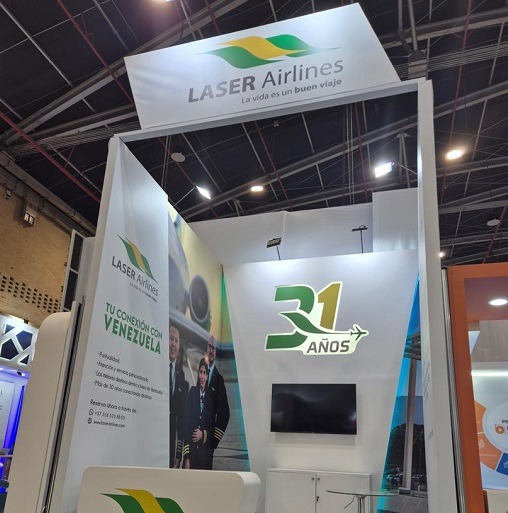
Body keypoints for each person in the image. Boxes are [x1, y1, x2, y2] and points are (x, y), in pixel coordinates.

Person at [182, 358, 214, 469]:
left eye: (205, 373)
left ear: (208, 376)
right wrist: (186, 458)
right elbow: (186, 426)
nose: (202, 376)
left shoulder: (212, 398)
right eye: (200, 372)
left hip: (205, 458)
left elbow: (214, 429)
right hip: (192, 456)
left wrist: (203, 435)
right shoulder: (192, 393)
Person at [169, 324, 188, 468]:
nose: (173, 344)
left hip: (170, 449)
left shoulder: (181, 375)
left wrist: (178, 456)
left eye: (176, 340)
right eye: (171, 339)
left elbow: (182, 419)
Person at [207, 335, 230, 455]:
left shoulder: (218, 380)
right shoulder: (200, 375)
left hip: (207, 444)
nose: (211, 351)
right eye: (209, 347)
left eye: (213, 348)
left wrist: (214, 440)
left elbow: (225, 414)